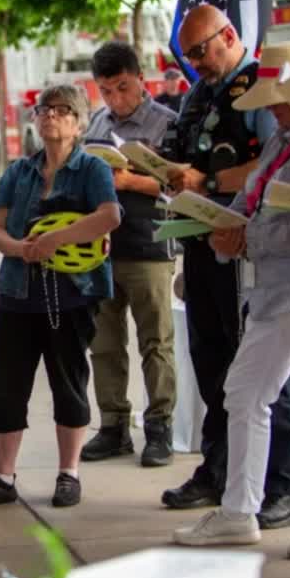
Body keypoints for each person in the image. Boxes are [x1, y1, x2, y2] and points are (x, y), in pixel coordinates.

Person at [171, 42, 290, 562]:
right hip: (277, 286)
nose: (273, 108)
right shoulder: (285, 137)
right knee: (243, 392)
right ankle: (239, 510)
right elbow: (253, 200)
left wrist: (245, 238)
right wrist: (225, 225)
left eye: (280, 98)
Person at [157, 4, 290, 531]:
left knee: (264, 372)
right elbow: (188, 154)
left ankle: (286, 485)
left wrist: (206, 182)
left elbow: (269, 165)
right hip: (202, 240)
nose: (196, 62)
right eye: (188, 55)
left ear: (229, 35)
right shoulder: (199, 93)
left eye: (201, 50)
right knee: (213, 364)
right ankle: (220, 470)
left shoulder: (259, 90)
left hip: (250, 248)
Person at [0, 84, 122, 511]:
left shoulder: (92, 168)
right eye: (44, 109)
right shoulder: (19, 172)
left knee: (68, 382)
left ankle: (69, 473)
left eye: (62, 109)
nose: (50, 115)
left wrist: (56, 238)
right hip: (18, 291)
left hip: (72, 294)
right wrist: (21, 249)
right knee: (5, 384)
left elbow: (110, 216)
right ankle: (3, 477)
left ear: (79, 123)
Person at [78, 42, 179, 467]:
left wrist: (130, 180)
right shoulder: (96, 123)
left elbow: (181, 184)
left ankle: (160, 427)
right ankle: (113, 425)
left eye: (122, 87)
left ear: (140, 78)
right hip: (101, 249)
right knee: (104, 343)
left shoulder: (167, 122)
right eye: (106, 91)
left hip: (149, 244)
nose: (115, 99)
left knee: (156, 342)